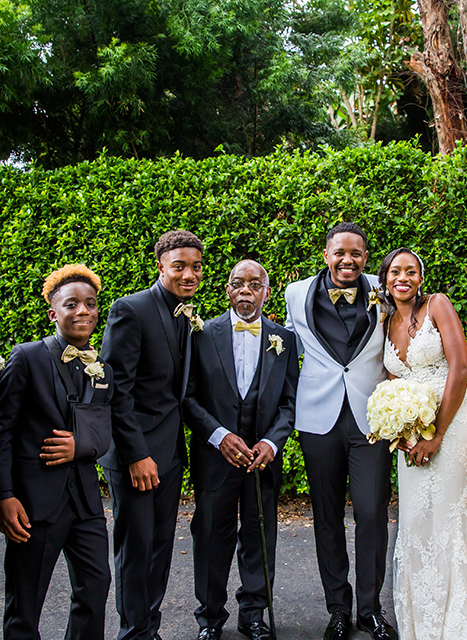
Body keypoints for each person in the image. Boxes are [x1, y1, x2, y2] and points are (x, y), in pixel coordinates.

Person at [283, 222, 396, 640]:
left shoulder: (385, 289)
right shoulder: (295, 294)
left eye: (357, 253)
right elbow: (287, 351)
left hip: (371, 419)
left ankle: (370, 609)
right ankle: (338, 609)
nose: (348, 260)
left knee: (371, 512)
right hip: (318, 420)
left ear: (366, 256)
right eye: (340, 253)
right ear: (326, 254)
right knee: (326, 515)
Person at [0, 264, 114, 640]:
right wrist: (5, 496)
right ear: (53, 313)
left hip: (85, 503)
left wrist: (83, 446)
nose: (83, 312)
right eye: (72, 304)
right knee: (25, 603)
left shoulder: (101, 366)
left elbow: (104, 430)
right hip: (35, 503)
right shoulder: (26, 357)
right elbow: (0, 432)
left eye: (90, 304)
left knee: (96, 587)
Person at [183, 259, 299, 640]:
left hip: (261, 461)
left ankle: (253, 614)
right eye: (238, 283)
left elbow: (289, 402)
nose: (246, 290)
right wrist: (218, 436)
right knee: (211, 537)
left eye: (255, 284)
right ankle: (210, 618)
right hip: (215, 458)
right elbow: (188, 397)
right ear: (228, 290)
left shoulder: (284, 338)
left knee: (259, 537)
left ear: (266, 291)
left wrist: (271, 442)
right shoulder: (201, 334)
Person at [379, 248, 467, 640]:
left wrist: (438, 433)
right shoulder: (385, 319)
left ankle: (458, 626)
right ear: (386, 278)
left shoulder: (438, 304)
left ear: (421, 278)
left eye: (411, 271)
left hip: (453, 419)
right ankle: (421, 622)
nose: (403, 278)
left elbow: (460, 366)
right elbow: (392, 380)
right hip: (411, 431)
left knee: (447, 516)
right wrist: (397, 426)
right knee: (414, 519)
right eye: (396, 272)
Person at [100, 230, 204, 640]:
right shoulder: (130, 309)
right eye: (179, 266)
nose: (188, 274)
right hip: (136, 456)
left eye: (195, 266)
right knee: (135, 550)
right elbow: (115, 389)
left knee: (160, 548)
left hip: (171, 453)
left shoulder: (187, 314)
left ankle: (150, 627)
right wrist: (135, 455)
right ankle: (133, 633)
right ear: (160, 266)